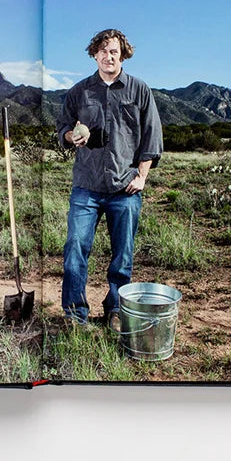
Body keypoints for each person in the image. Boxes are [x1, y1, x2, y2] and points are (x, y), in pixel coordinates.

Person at [56, 28, 163, 328]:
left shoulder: (139, 90)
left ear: (123, 54)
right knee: (75, 248)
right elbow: (62, 126)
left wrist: (141, 176)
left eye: (114, 51)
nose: (108, 56)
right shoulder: (80, 92)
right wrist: (69, 135)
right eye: (102, 51)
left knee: (122, 255)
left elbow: (152, 137)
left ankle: (115, 310)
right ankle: (75, 314)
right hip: (86, 187)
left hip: (124, 188)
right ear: (94, 54)